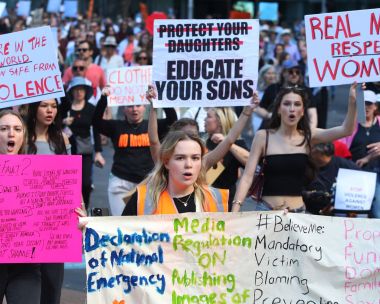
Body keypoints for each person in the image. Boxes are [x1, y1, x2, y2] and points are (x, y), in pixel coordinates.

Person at [232, 84, 358, 213]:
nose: (292, 109)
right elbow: (247, 177)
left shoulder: (309, 136)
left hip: (297, 214)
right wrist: (235, 210)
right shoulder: (263, 136)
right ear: (279, 110)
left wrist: (353, 102)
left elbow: (346, 130)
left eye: (297, 104)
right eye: (287, 104)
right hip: (266, 211)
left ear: (302, 111)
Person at [93, 89, 177, 216]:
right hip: (120, 182)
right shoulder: (116, 126)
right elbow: (96, 122)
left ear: (144, 107)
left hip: (148, 183)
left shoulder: (153, 126)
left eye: (138, 105)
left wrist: (158, 99)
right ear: (124, 109)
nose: (134, 109)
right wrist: (104, 98)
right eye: (130, 106)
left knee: (146, 225)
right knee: (122, 223)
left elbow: (172, 120)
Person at [26, 99, 70, 304]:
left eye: (53, 106)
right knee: (28, 284)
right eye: (44, 106)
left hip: (54, 223)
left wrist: (79, 211)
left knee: (52, 285)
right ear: (34, 108)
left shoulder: (63, 140)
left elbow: (71, 180)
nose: (50, 110)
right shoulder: (21, 138)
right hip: (26, 223)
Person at [122, 131, 228, 215]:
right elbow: (121, 237)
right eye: (180, 158)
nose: (188, 164)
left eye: (195, 158)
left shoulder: (215, 197)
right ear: (166, 162)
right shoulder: (143, 198)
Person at [0, 110, 41, 304]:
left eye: (17, 129)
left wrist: (74, 217)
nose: (11, 134)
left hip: (25, 265)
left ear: (23, 136)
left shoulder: (41, 173)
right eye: (4, 128)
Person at [61, 77, 105, 210]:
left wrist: (98, 152)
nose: (79, 92)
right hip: (67, 151)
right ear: (71, 92)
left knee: (85, 183)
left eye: (82, 90)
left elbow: (96, 129)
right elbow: (52, 124)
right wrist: (63, 122)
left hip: (85, 151)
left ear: (86, 92)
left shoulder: (91, 108)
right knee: (68, 183)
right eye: (76, 90)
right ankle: (69, 208)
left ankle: (83, 206)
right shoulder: (65, 107)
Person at [339, 90, 380, 218]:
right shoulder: (351, 124)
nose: (366, 107)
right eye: (363, 103)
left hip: (377, 175)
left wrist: (368, 158)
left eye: (369, 103)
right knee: (357, 215)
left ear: (375, 106)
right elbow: (340, 146)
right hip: (355, 175)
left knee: (377, 212)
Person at [204, 107, 249, 210]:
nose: (204, 119)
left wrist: (227, 143)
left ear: (220, 121)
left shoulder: (237, 144)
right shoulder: (203, 141)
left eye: (208, 116)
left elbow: (250, 162)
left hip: (225, 202)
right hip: (203, 198)